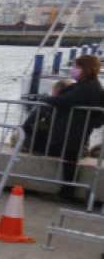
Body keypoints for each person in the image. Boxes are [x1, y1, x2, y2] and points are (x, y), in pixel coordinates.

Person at [44, 54, 104, 201]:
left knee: (70, 161)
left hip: (75, 129)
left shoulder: (88, 87)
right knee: (68, 160)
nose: (73, 70)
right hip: (74, 128)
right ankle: (65, 191)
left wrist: (46, 99)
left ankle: (66, 193)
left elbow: (66, 100)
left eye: (77, 67)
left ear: (86, 68)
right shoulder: (86, 85)